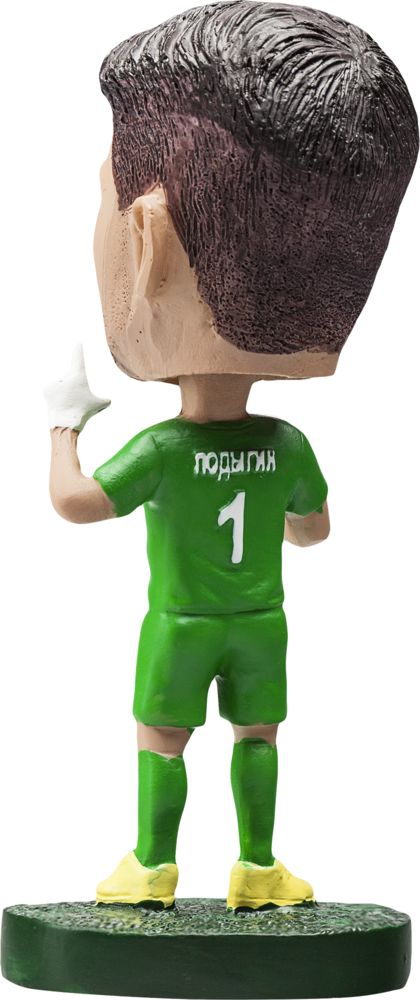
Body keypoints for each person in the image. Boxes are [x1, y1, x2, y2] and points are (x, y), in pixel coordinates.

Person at [45, 1, 418, 910]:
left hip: (180, 625)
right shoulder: (286, 445)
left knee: (161, 739)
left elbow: (77, 503)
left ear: (148, 243)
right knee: (259, 736)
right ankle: (257, 866)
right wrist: (274, 516)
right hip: (262, 623)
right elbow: (314, 530)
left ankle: (152, 866)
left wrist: (63, 426)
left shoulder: (165, 448)